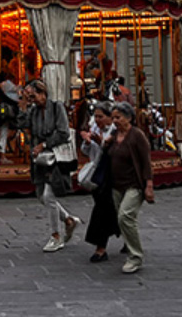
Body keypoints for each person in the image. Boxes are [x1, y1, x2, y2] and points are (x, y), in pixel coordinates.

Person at [21, 79, 80, 253]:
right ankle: (68, 220)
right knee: (41, 195)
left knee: (49, 195)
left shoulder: (56, 107)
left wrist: (45, 144)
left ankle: (56, 235)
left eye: (36, 95)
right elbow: (22, 124)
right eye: (32, 97)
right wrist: (24, 105)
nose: (35, 99)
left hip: (54, 157)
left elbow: (63, 132)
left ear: (43, 93)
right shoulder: (34, 111)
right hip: (40, 159)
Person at [105, 102, 155, 274]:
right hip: (116, 184)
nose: (115, 121)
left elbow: (146, 162)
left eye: (118, 117)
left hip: (134, 184)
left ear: (129, 118)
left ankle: (135, 257)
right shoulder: (114, 135)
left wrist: (149, 185)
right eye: (113, 118)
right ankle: (129, 244)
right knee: (124, 219)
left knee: (125, 216)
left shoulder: (137, 136)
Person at [80, 102, 118, 262]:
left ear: (110, 118)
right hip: (97, 173)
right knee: (110, 210)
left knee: (102, 210)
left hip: (111, 175)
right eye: (95, 116)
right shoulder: (94, 129)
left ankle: (100, 248)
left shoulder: (115, 131)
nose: (97, 120)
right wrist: (88, 142)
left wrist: (102, 142)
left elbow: (115, 152)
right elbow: (86, 151)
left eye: (100, 116)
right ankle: (123, 234)